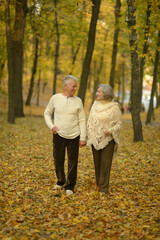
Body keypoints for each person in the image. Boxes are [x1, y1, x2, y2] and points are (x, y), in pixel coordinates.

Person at [44, 75, 86, 195]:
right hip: (59, 135)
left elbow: (82, 120)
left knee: (73, 162)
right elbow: (47, 113)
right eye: (73, 86)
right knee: (58, 160)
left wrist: (83, 137)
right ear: (66, 86)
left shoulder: (78, 101)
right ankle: (60, 181)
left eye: (76, 87)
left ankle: (70, 186)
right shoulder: (55, 98)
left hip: (74, 136)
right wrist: (52, 126)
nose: (75, 89)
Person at [87, 84, 122, 194]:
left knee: (105, 164)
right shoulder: (95, 104)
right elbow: (90, 120)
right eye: (97, 91)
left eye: (99, 92)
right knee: (97, 163)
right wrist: (88, 134)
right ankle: (98, 184)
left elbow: (119, 124)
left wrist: (110, 130)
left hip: (108, 140)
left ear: (106, 93)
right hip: (94, 138)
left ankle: (104, 188)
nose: (96, 94)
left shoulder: (114, 107)